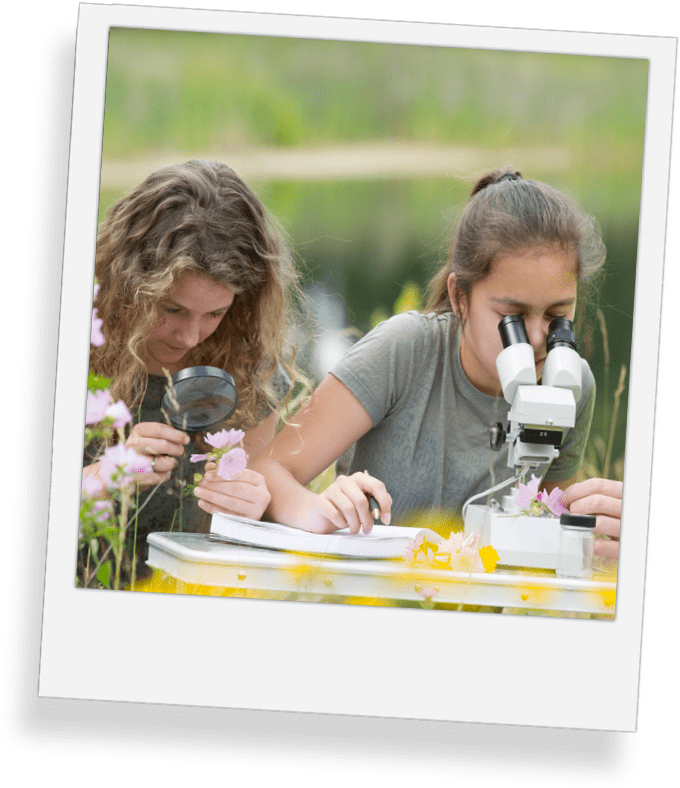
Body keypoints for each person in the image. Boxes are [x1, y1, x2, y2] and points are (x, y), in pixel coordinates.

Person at [251, 169, 622, 559]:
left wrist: (600, 539)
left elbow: (549, 530)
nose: (534, 339)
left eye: (556, 315)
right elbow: (265, 472)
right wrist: (320, 510)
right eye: (512, 315)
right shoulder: (404, 351)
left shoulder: (572, 384)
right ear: (459, 296)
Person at [82, 160, 307, 581]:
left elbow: (229, 547)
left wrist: (252, 511)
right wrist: (104, 474)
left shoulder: (249, 367)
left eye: (215, 313)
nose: (190, 337)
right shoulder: (75, 337)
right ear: (130, 285)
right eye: (172, 309)